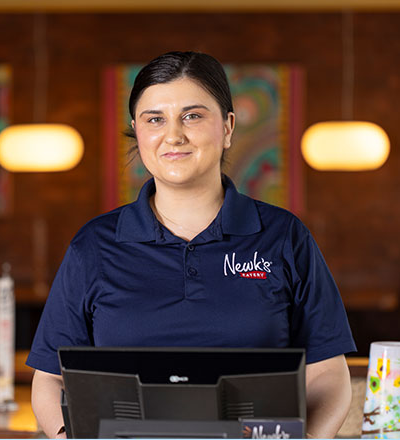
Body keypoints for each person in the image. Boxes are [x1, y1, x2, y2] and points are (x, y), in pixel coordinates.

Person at [27, 51, 356, 439]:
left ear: (228, 127)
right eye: (155, 119)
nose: (173, 135)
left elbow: (328, 374)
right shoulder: (94, 245)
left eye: (192, 116)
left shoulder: (283, 236)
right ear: (137, 130)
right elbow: (49, 379)